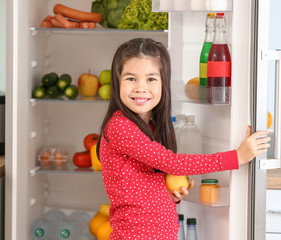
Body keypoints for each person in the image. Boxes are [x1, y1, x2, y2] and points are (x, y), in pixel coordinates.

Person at [97, 38, 270, 239]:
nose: (140, 88)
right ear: (117, 81)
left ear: (164, 83)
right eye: (130, 79)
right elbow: (173, 164)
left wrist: (168, 194)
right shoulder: (120, 126)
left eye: (151, 79)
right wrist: (237, 157)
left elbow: (140, 187)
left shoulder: (148, 126)